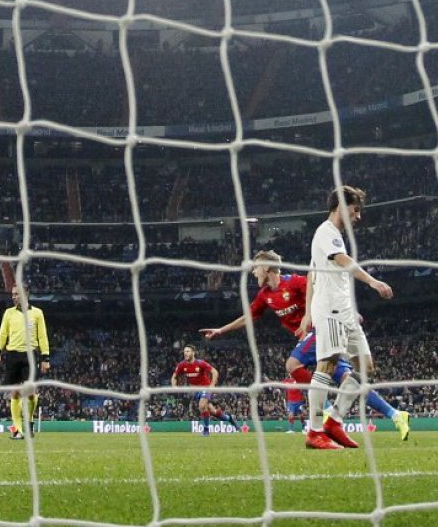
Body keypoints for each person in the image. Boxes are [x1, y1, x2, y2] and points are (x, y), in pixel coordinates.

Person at [199, 249, 356, 439]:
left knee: (292, 364)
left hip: (322, 329)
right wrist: (221, 330)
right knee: (349, 378)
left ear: (266, 268)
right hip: (313, 339)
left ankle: (327, 408)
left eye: (256, 268)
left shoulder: (295, 282)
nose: (253, 272)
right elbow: (248, 317)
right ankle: (394, 415)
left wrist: (337, 312)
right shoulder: (265, 295)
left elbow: (321, 290)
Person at [301, 185, 410, 450]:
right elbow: (341, 261)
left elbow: (313, 273)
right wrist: (372, 281)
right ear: (340, 205)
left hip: (345, 310)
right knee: (326, 365)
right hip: (330, 310)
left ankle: (334, 421)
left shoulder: (335, 235)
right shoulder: (325, 232)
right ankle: (314, 431)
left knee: (364, 366)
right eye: (355, 210)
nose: (358, 217)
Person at [0, 284, 50, 440]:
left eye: (17, 294)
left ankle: (29, 423)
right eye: (13, 294)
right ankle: (17, 430)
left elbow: (42, 336)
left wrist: (45, 358)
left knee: (30, 393)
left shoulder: (37, 313)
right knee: (15, 392)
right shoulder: (8, 313)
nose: (14, 296)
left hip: (30, 355)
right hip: (12, 355)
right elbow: (2, 333)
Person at [170, 345, 240, 436]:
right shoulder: (182, 365)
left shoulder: (200, 363)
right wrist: (174, 387)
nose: (185, 353)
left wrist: (212, 385)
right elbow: (174, 377)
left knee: (202, 406)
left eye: (188, 351)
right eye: (184, 351)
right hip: (195, 391)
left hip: (205, 388)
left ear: (193, 353)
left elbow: (214, 372)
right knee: (213, 412)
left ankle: (206, 430)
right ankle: (229, 419)